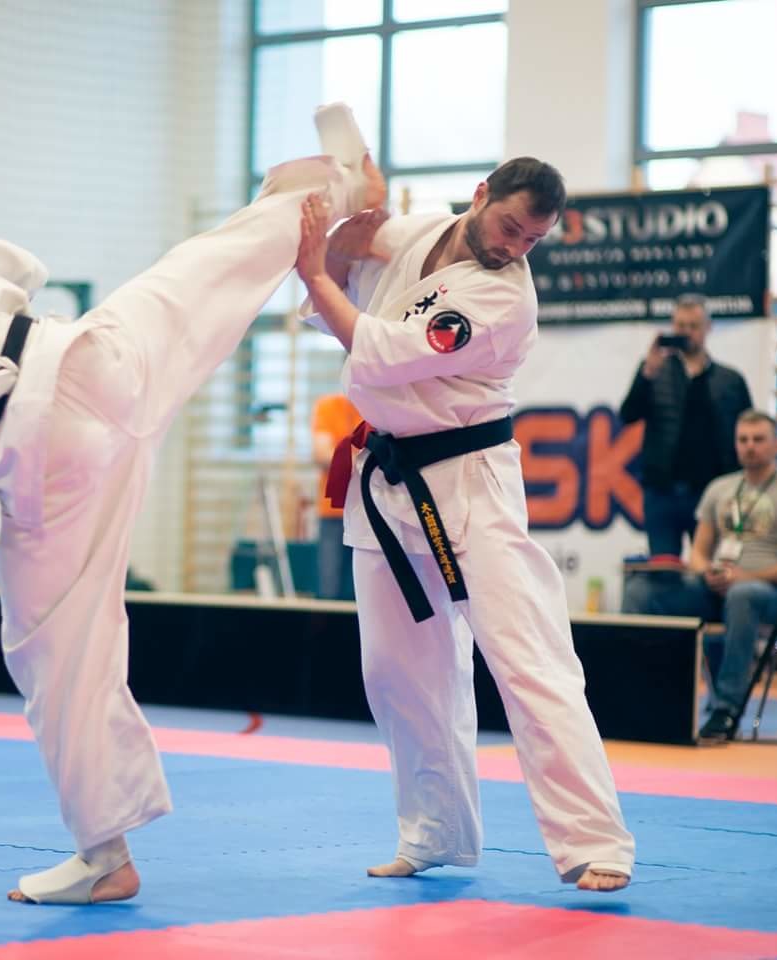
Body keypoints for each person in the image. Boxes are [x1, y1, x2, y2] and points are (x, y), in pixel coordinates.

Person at [0, 150, 384, 905]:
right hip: (84, 356)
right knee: (197, 272)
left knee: (55, 653)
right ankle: (333, 186)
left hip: (42, 454)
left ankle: (105, 857)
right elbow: (25, 269)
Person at [296, 158, 635, 892]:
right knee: (396, 667)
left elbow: (374, 350)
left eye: (533, 239)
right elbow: (362, 258)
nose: (515, 246)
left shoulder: (503, 300)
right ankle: (434, 832)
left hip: (469, 481)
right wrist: (348, 228)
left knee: (528, 657)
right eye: (510, 226)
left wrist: (317, 272)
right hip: (389, 478)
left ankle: (596, 842)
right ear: (480, 195)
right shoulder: (424, 233)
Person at [621, 411, 777, 741]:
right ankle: (640, 692)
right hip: (717, 588)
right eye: (743, 440)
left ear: (776, 445)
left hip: (767, 594)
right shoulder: (719, 489)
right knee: (641, 591)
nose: (750, 446)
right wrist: (706, 571)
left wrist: (747, 576)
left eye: (758, 439)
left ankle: (726, 709)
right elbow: (698, 552)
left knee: (743, 594)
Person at [620, 294, 752, 558]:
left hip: (712, 493)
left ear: (708, 328)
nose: (687, 332)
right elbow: (628, 415)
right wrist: (647, 373)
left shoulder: (730, 380)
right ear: (672, 326)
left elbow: (745, 432)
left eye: (694, 326)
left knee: (709, 568)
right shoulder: (655, 371)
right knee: (663, 569)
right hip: (662, 492)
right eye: (681, 326)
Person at [312, 392, 362, 600]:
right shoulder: (329, 406)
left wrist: (344, 458)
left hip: (370, 514)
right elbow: (322, 455)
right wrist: (365, 461)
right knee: (328, 588)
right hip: (333, 512)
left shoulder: (379, 407)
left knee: (362, 591)